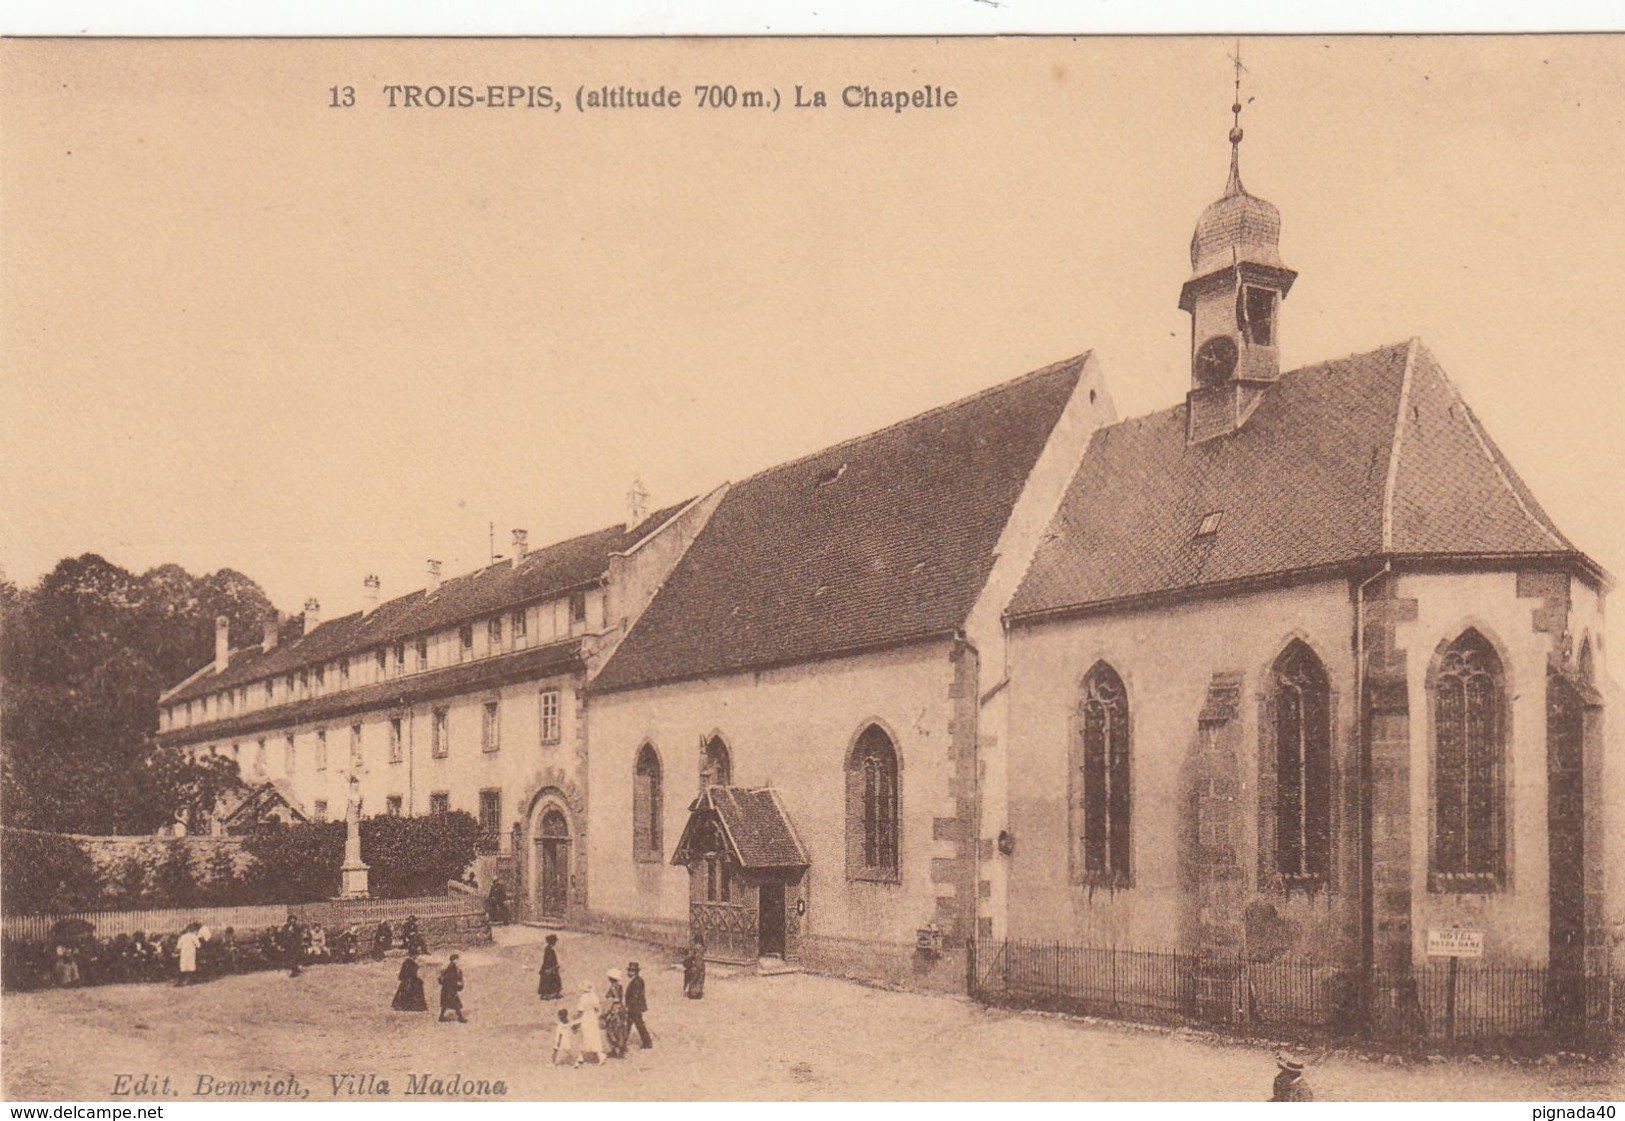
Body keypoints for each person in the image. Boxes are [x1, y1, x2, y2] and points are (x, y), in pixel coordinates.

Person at [601, 968, 631, 1058]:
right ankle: (620, 1049)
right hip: (620, 1009)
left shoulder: (613, 987)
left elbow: (613, 999)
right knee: (620, 1029)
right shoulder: (620, 987)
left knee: (611, 1029)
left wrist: (606, 1010)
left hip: (614, 1009)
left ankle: (615, 1050)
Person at [573, 982, 606, 1064]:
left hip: (585, 1018)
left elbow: (580, 1010)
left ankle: (581, 1055)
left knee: (584, 1036)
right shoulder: (595, 996)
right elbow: (598, 1008)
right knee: (594, 1035)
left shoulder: (583, 997)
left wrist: (575, 1019)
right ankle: (599, 1054)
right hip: (593, 1018)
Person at [625, 961, 652, 1050]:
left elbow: (635, 996)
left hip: (634, 1007)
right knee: (633, 1025)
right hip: (636, 1007)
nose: (629, 972)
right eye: (629, 970)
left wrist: (629, 1007)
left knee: (637, 1025)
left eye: (631, 971)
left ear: (635, 972)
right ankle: (646, 1042)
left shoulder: (637, 982)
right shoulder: (637, 980)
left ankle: (647, 1042)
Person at [438, 953, 467, 1022]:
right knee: (456, 1003)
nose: (457, 961)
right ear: (453, 960)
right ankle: (460, 1018)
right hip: (450, 989)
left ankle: (441, 1017)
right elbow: (451, 978)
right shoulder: (452, 968)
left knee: (445, 1004)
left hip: (447, 989)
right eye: (456, 959)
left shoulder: (450, 967)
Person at [537, 934, 563, 1000]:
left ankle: (547, 994)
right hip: (550, 968)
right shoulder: (550, 950)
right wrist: (554, 967)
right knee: (553, 981)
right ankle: (550, 994)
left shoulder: (548, 949)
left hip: (548, 967)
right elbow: (549, 961)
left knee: (548, 981)